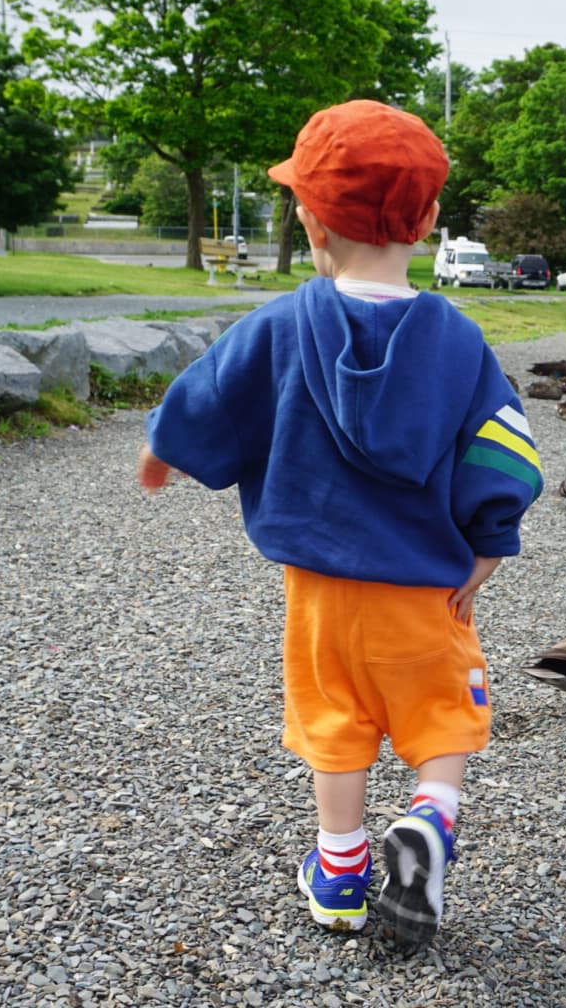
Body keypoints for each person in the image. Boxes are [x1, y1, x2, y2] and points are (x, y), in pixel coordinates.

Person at [137, 100, 541, 950]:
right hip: (426, 590)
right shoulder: (459, 341)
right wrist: (490, 543)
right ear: (428, 222)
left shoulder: (282, 325)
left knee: (335, 724)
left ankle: (340, 875)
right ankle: (431, 820)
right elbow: (503, 446)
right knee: (439, 719)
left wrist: (164, 451)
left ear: (311, 222)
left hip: (320, 593)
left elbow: (208, 396)